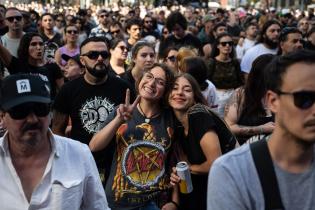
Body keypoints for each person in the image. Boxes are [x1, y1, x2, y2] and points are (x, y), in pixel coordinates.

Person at [207, 49, 315, 210]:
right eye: (304, 99)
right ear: (273, 101)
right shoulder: (232, 171)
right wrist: (259, 128)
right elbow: (229, 125)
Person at [0, 74, 110, 210]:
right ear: (2, 117)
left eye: (41, 109)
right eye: (20, 111)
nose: (32, 119)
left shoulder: (79, 154)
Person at [89, 63, 177, 210]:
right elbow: (94, 146)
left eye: (160, 82)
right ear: (140, 80)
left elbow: (176, 163)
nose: (151, 83)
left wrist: (175, 202)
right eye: (149, 76)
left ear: (165, 91)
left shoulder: (171, 118)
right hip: (118, 201)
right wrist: (119, 120)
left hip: (154, 203)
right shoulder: (121, 110)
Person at [52, 36, 133, 185]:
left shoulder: (124, 88)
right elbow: (57, 131)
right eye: (93, 55)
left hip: (118, 164)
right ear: (82, 60)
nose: (100, 58)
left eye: (104, 54)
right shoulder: (68, 90)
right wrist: (65, 162)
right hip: (80, 164)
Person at [168, 73, 223, 210]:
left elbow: (215, 163)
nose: (179, 93)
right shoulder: (177, 125)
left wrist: (189, 168)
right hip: (195, 191)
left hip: (217, 192)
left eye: (187, 90)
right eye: (175, 88)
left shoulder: (199, 116)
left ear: (194, 98)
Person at [224, 54, 275, 145]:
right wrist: (261, 129)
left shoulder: (281, 94)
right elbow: (228, 127)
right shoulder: (241, 94)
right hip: (245, 149)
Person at [0, 32, 64, 100]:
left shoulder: (52, 67)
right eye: (33, 44)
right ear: (25, 47)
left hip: (48, 108)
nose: (39, 47)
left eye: (41, 44)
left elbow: (63, 92)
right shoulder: (18, 65)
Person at [207, 33, 243, 118]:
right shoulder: (212, 62)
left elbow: (240, 81)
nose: (227, 46)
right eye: (224, 43)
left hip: (233, 96)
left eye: (230, 43)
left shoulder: (235, 62)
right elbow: (207, 82)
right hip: (217, 97)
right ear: (218, 46)